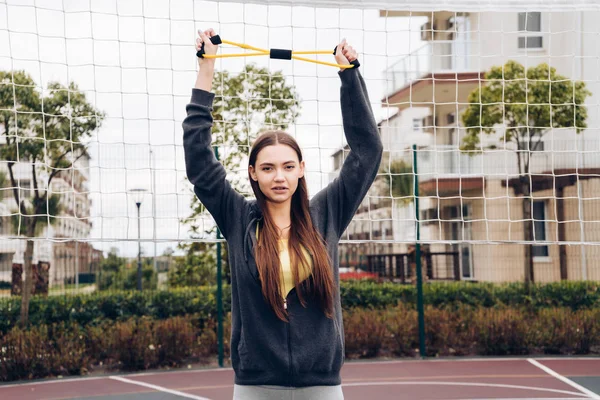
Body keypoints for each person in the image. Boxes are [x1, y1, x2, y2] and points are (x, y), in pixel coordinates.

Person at [183, 28, 383, 400]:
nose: (279, 176)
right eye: (269, 167)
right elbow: (199, 163)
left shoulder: (327, 213)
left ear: (302, 169)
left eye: (288, 167)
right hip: (256, 384)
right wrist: (206, 68)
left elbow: (367, 153)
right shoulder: (238, 218)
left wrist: (349, 76)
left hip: (321, 385)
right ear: (253, 173)